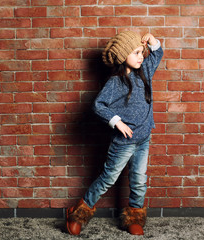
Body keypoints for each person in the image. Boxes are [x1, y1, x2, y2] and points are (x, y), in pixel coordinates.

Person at [65, 31, 163, 236]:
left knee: (138, 179)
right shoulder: (115, 83)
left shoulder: (144, 70)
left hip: (143, 139)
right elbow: (98, 105)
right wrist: (117, 122)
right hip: (124, 142)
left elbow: (156, 54)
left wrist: (152, 41)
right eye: (135, 52)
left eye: (141, 52)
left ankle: (134, 217)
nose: (140, 56)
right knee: (108, 178)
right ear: (122, 56)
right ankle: (78, 212)